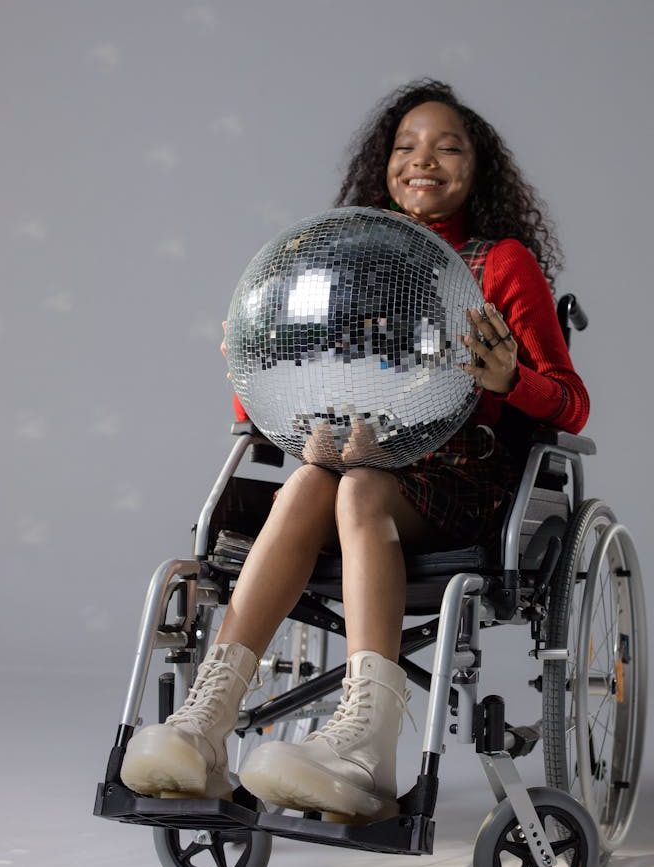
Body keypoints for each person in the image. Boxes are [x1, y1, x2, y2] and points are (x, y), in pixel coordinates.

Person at [119, 79, 590, 824]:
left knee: (354, 486)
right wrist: (246, 370)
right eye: (405, 146)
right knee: (312, 479)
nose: (422, 160)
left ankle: (366, 747)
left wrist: (512, 378)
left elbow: (571, 401)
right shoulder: (354, 262)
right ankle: (203, 728)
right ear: (384, 164)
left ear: (477, 165)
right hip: (350, 460)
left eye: (446, 146)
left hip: (463, 478)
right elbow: (279, 411)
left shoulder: (501, 264)